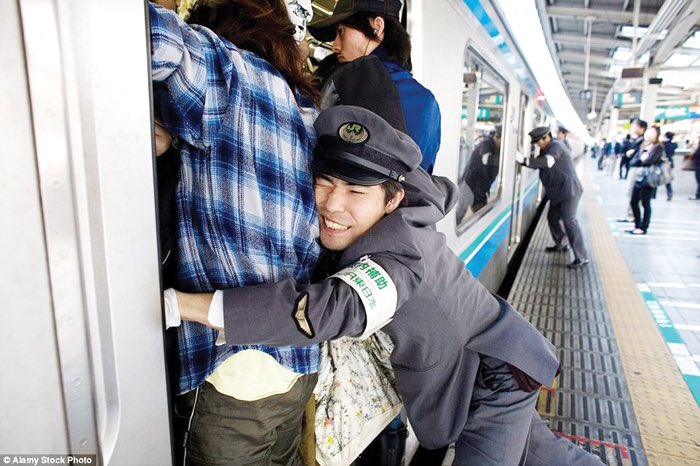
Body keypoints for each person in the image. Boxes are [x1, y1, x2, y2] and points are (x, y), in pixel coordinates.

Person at [167, 105, 602, 466]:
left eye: (356, 192)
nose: (332, 205)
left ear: (392, 199)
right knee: (544, 455)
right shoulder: (404, 204)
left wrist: (182, 305)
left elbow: (325, 311)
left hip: (492, 377)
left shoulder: (398, 258)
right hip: (491, 359)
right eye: (323, 183)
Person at [149, 1, 322, 464]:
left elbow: (135, 32)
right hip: (298, 363)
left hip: (233, 368)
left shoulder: (222, 70)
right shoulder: (305, 109)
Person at [308, 0, 441, 173]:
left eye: (341, 32)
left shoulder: (345, 89)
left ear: (376, 26)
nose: (335, 46)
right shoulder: (426, 101)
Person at [517, 127, 589, 269]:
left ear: (546, 137)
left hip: (569, 191)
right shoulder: (546, 148)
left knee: (570, 221)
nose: (537, 145)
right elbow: (538, 163)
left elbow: (547, 162)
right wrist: (524, 161)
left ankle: (582, 257)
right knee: (552, 218)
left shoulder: (556, 146)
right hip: (558, 192)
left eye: (538, 142)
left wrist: (524, 159)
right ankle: (561, 244)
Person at [627, 125, 665, 235]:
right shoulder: (644, 145)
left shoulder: (658, 147)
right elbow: (636, 160)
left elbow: (648, 161)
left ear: (657, 135)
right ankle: (637, 224)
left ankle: (644, 227)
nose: (649, 134)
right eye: (648, 132)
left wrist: (642, 158)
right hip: (639, 177)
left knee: (645, 203)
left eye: (652, 132)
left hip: (649, 179)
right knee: (634, 201)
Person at [461, 126, 501, 214]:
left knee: (482, 213)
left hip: (481, 188)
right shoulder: (486, 143)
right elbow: (486, 159)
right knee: (460, 212)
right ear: (496, 136)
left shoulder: (498, 148)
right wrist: (504, 160)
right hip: (471, 184)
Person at [617, 119, 648, 223]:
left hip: (637, 169)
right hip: (634, 167)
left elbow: (642, 156)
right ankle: (631, 214)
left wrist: (632, 153)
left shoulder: (642, 141)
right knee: (630, 192)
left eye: (635, 126)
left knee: (633, 193)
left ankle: (632, 215)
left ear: (642, 128)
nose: (633, 128)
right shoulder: (638, 140)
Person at [663, 131, 677, 201]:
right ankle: (669, 193)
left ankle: (653, 194)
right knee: (667, 179)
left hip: (663, 162)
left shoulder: (664, 144)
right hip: (670, 162)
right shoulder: (674, 144)